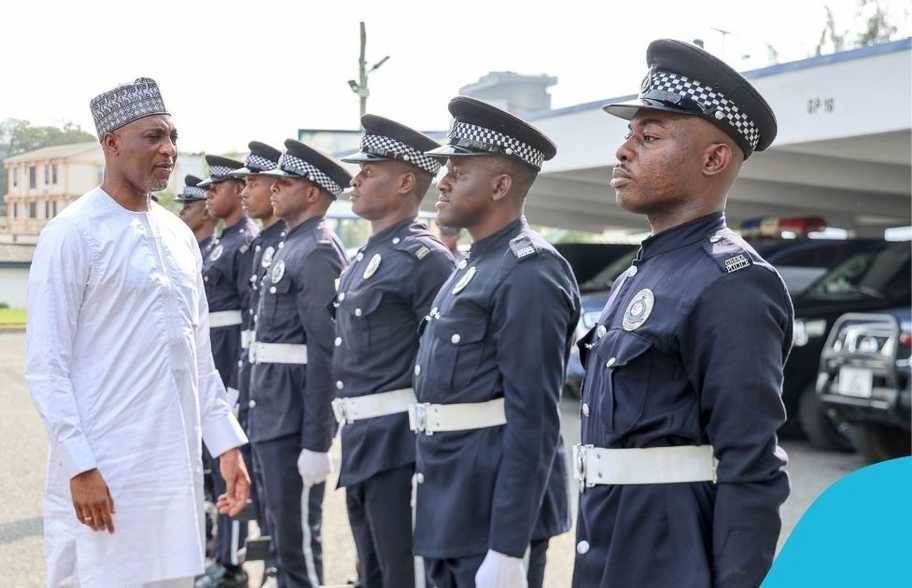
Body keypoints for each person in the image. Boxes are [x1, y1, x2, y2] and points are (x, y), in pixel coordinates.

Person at [572, 39, 791, 588]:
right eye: (628, 136)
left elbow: (752, 466)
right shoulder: (637, 274)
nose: (624, 151)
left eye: (649, 137)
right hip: (607, 543)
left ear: (714, 158)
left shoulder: (733, 283)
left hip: (671, 558)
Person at [24, 77, 250, 588]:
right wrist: (79, 468)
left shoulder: (178, 237)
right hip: (104, 472)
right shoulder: (71, 234)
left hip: (171, 476)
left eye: (173, 136)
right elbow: (46, 366)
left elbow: (197, 359)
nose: (169, 150)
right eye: (153, 137)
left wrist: (226, 446)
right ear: (112, 144)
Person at [413, 96, 578, 588]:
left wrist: (508, 546)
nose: (441, 181)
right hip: (453, 504)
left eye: (458, 171)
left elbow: (536, 418)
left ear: (502, 185)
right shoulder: (476, 265)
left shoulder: (530, 272)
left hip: (491, 516)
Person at [333, 114, 456, 588]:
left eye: (369, 171)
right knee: (372, 572)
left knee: (402, 574)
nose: (356, 178)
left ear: (406, 181)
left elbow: (443, 365)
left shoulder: (427, 260)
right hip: (362, 438)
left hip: (401, 446)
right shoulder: (366, 256)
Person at [249, 139, 351, 588]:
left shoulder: (318, 251)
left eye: (285, 183)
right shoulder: (292, 244)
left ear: (312, 193)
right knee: (280, 533)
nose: (274, 189)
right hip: (272, 408)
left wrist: (317, 440)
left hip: (292, 419)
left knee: (297, 541)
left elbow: (325, 352)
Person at [196, 154, 259, 588]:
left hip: (231, 363)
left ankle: (231, 559)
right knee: (211, 471)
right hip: (213, 358)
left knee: (228, 468)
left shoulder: (246, 242)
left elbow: (248, 322)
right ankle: (220, 553)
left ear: (237, 190)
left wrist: (235, 384)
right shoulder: (222, 242)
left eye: (217, 188)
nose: (208, 197)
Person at [228, 140, 286, 585]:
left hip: (281, 400)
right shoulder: (265, 244)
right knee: (259, 496)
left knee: (290, 526)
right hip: (255, 385)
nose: (246, 190)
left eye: (256, 182)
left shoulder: (293, 245)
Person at [176, 174, 218, 259]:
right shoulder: (184, 249)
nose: (181, 212)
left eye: (187, 208)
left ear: (205, 213)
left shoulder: (214, 253)